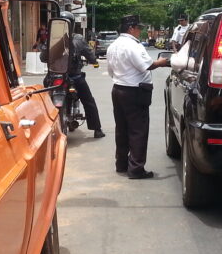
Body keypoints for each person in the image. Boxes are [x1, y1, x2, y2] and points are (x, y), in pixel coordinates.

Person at [107, 14, 171, 179]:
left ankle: (121, 164)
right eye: (139, 28)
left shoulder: (113, 46)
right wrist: (162, 62)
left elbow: (110, 72)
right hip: (134, 92)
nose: (140, 31)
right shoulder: (133, 46)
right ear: (131, 28)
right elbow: (146, 65)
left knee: (122, 129)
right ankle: (136, 169)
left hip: (118, 89)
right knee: (138, 131)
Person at [61, 11, 105, 139]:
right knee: (88, 101)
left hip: (57, 78)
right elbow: (89, 54)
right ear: (73, 24)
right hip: (75, 77)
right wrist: (94, 62)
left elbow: (43, 57)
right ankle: (97, 130)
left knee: (47, 99)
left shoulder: (54, 38)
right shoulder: (78, 39)